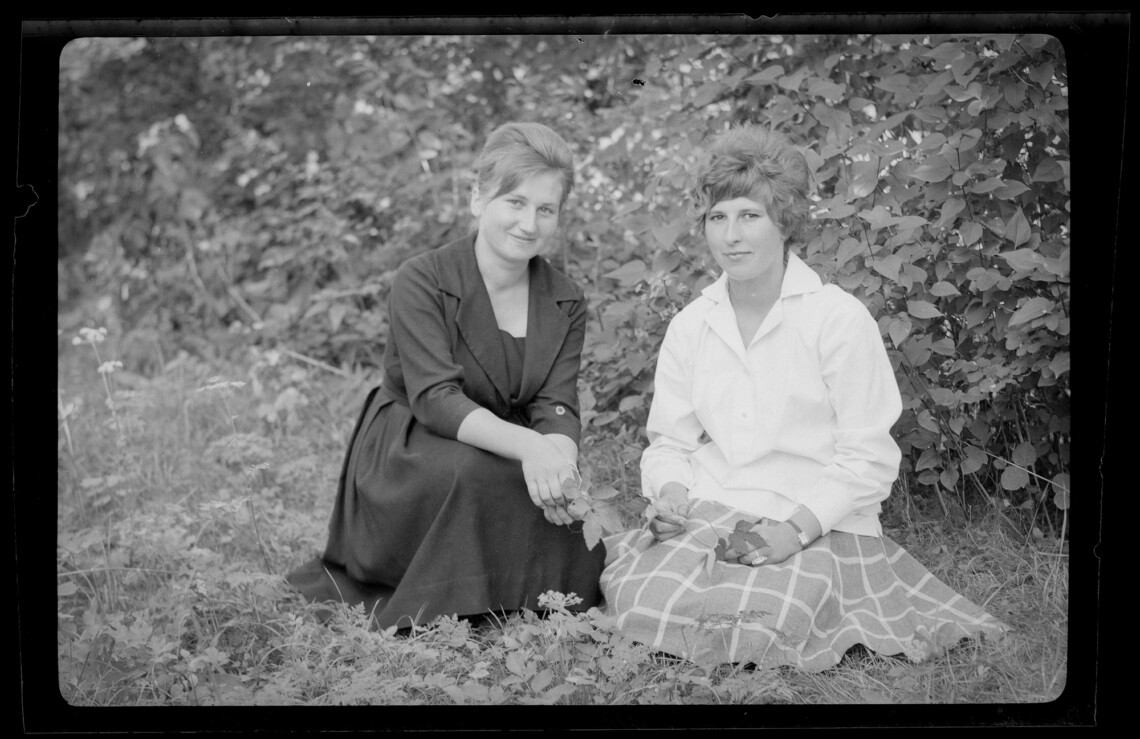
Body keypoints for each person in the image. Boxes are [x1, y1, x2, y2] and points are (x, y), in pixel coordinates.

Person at [599, 124, 1007, 670]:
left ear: (785, 221)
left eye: (750, 216)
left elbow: (867, 456)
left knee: (765, 620)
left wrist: (793, 533)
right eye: (717, 218)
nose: (731, 236)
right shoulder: (691, 324)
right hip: (714, 506)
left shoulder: (837, 318)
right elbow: (670, 442)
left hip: (814, 517)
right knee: (640, 597)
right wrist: (671, 498)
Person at [287, 122, 606, 629]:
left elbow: (556, 403)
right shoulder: (423, 278)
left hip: (504, 440)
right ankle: (454, 597)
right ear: (478, 198)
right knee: (479, 475)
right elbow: (436, 398)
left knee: (561, 501)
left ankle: (531, 594)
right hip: (415, 443)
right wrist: (531, 448)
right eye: (515, 202)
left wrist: (559, 465)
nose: (529, 223)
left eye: (546, 209)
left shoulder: (566, 299)